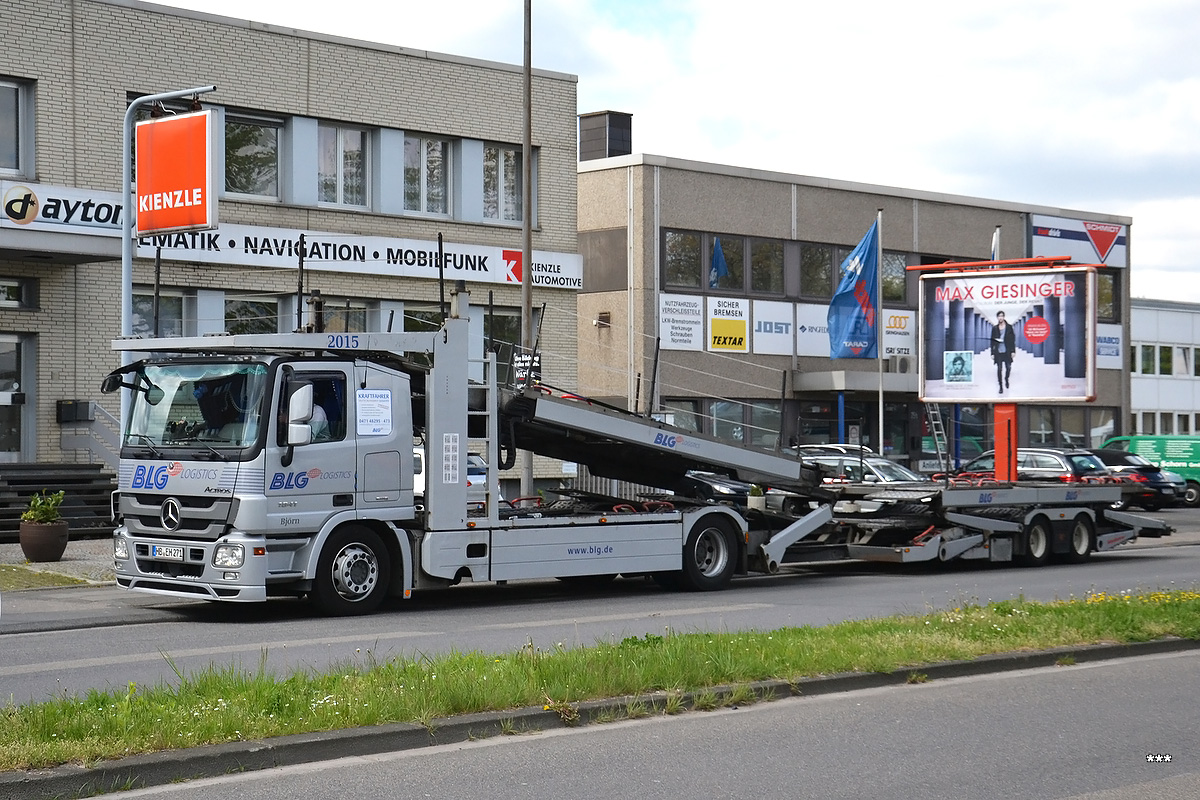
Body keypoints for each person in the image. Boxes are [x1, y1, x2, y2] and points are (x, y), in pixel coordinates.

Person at [990, 311, 1016, 394]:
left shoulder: (1009, 327)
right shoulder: (995, 328)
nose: (1000, 318)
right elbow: (992, 341)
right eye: (999, 316)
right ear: (997, 318)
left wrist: (1013, 351)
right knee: (999, 369)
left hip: (1007, 351)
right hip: (998, 351)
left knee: (1008, 367)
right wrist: (992, 353)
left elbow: (1012, 340)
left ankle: (1006, 379)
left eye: (1002, 316)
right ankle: (1001, 386)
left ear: (1004, 317)